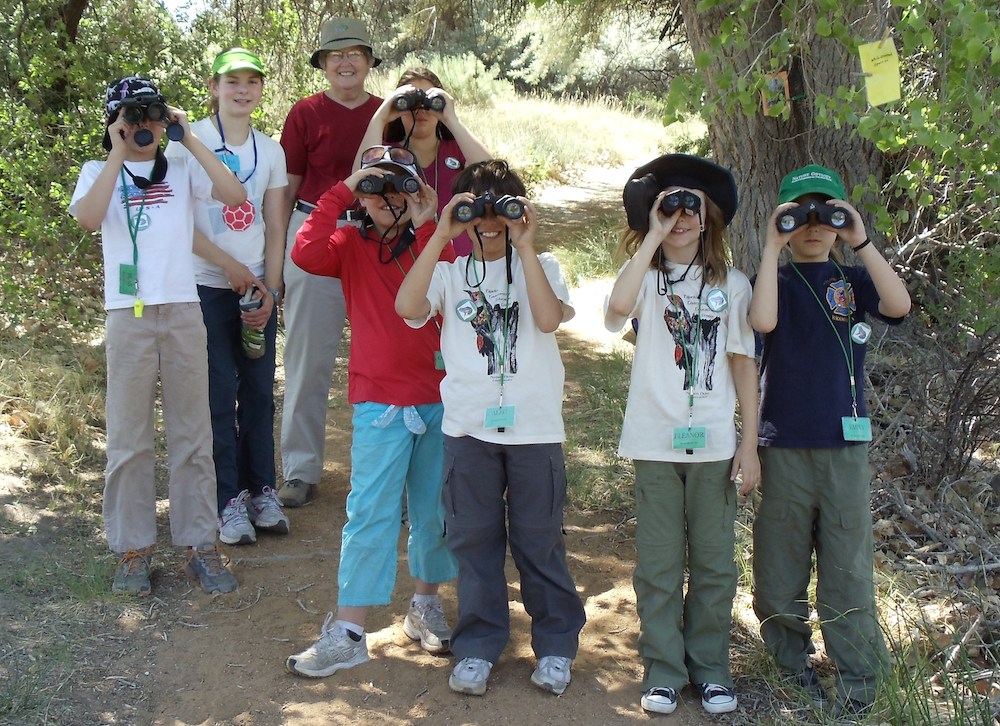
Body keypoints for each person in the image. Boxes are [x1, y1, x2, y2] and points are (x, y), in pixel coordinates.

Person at [395, 159, 587, 697]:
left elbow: (549, 320)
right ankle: (477, 645)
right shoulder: (450, 272)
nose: (487, 222)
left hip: (534, 430)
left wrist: (525, 245)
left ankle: (554, 645)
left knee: (539, 541)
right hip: (469, 431)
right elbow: (406, 306)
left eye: (499, 209)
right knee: (473, 540)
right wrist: (440, 233)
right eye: (474, 209)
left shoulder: (542, 264)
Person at [284, 145, 458, 678]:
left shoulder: (432, 242)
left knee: (434, 511)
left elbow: (447, 279)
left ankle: (425, 604)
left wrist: (428, 220)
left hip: (440, 397)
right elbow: (304, 252)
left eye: (398, 187)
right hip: (379, 399)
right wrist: (344, 188)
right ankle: (351, 631)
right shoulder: (348, 243)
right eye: (375, 189)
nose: (387, 198)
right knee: (370, 513)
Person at [69, 75, 247, 595]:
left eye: (151, 115)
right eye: (133, 116)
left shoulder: (185, 165)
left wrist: (186, 136)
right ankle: (132, 548)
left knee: (193, 433)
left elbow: (233, 194)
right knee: (129, 436)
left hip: (183, 310)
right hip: (129, 315)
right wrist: (116, 151)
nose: (143, 125)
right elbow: (87, 219)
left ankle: (199, 544)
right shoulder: (95, 171)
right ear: (114, 120)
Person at [749, 164, 911, 719]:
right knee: (779, 564)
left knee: (846, 565)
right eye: (800, 213)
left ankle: (861, 677)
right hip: (784, 444)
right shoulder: (774, 280)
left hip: (844, 449)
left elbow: (898, 305)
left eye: (826, 211)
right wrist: (772, 249)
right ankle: (791, 664)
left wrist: (859, 240)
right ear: (783, 220)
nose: (813, 224)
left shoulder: (853, 279)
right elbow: (763, 322)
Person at [604, 154, 760, 715]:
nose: (683, 215)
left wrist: (748, 442)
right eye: (671, 204)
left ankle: (711, 668)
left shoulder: (734, 285)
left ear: (711, 217)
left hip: (715, 442)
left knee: (716, 561)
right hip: (653, 439)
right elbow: (615, 310)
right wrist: (652, 233)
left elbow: (743, 362)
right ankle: (665, 669)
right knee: (660, 563)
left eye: (693, 205)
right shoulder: (645, 280)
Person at [165, 48, 289, 546]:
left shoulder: (272, 150)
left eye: (251, 81)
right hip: (206, 285)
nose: (242, 90)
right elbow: (177, 225)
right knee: (218, 393)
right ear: (214, 87)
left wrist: (270, 288)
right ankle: (228, 501)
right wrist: (228, 266)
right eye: (231, 81)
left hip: (256, 289)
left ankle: (263, 491)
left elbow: (276, 222)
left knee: (259, 393)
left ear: (261, 89)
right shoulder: (184, 141)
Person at [277, 17, 383, 507]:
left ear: (368, 60)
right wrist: (276, 258)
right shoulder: (305, 114)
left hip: (378, 241)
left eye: (354, 53)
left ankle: (390, 465)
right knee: (306, 359)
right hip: (315, 235)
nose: (345, 62)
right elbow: (287, 188)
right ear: (323, 63)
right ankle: (300, 469)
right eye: (335, 55)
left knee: (387, 355)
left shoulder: (389, 114)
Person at [354, 66, 491, 256]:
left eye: (428, 102)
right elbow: (357, 183)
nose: (420, 110)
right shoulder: (387, 154)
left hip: (458, 262)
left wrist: (451, 119)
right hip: (403, 260)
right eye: (412, 102)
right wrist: (381, 117)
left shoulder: (458, 149)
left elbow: (493, 177)